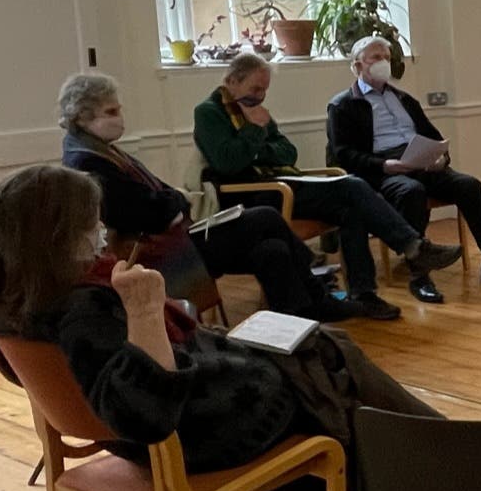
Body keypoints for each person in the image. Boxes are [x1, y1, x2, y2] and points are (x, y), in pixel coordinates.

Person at [0, 164, 444, 491]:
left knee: (314, 347)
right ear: (57, 236)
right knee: (328, 357)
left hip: (179, 417)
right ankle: (437, 471)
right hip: (207, 431)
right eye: (92, 223)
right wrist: (147, 312)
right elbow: (146, 414)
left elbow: (66, 385)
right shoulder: (82, 309)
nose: (103, 233)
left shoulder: (8, 304)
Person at [57, 72, 350, 323]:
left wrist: (172, 200)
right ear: (82, 116)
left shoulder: (99, 149)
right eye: (111, 112)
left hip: (175, 233)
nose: (119, 118)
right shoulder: (87, 162)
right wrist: (174, 201)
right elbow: (149, 211)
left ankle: (299, 317)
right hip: (159, 250)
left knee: (272, 249)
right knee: (265, 217)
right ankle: (319, 293)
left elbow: (160, 195)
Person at [193, 53, 463, 321]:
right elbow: (228, 162)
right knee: (353, 186)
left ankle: (364, 293)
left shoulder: (255, 113)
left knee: (350, 208)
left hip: (281, 184)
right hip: (250, 197)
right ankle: (413, 246)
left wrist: (255, 146)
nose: (260, 95)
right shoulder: (209, 113)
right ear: (232, 81)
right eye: (255, 88)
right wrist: (254, 133)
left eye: (264, 90)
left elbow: (288, 153)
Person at [324, 35, 481, 303]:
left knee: (469, 185)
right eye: (376, 57)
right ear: (358, 65)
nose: (383, 63)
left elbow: (433, 136)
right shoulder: (342, 105)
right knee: (412, 192)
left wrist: (440, 158)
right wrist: (384, 165)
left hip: (419, 160)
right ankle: (419, 275)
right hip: (382, 170)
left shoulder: (404, 99)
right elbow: (343, 154)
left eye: (387, 58)